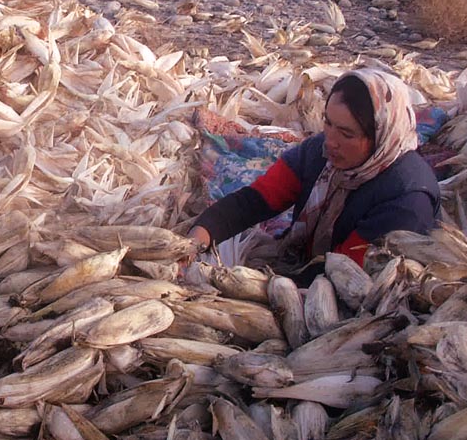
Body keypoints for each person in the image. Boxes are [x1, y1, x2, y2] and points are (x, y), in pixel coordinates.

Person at [187, 68, 440, 282]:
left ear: (383, 137)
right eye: (327, 122)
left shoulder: (407, 201)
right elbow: (254, 201)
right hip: (310, 268)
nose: (330, 141)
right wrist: (195, 240)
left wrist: (256, 286)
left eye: (346, 133)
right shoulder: (319, 152)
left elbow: (345, 275)